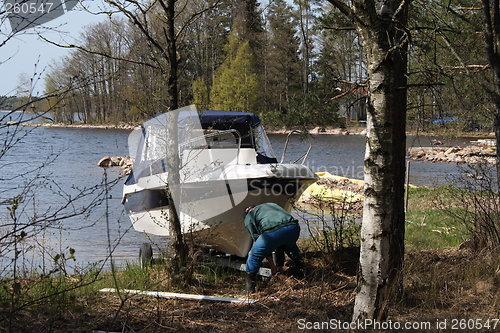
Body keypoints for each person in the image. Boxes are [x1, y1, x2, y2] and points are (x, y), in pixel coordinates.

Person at [242, 203, 305, 292]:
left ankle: (249, 290)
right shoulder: (270, 205)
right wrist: (279, 266)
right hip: (293, 228)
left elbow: (261, 243)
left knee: (254, 255)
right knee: (290, 246)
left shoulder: (249, 218)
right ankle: (303, 273)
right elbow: (279, 240)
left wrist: (272, 266)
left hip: (274, 233)